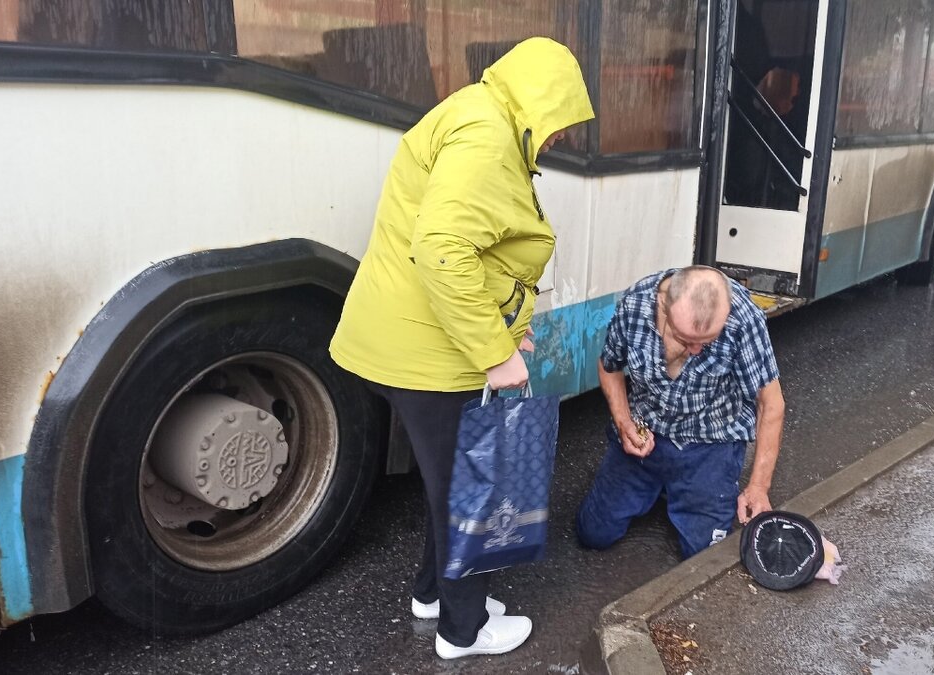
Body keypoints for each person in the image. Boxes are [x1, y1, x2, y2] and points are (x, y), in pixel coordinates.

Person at [329, 38, 593, 659]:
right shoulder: (487, 136)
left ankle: (433, 595)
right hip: (426, 352)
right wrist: (495, 353)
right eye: (560, 123)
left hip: (413, 338)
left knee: (449, 479)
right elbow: (444, 252)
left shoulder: (479, 113)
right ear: (541, 101)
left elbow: (471, 250)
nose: (558, 139)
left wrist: (502, 326)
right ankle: (463, 631)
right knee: (464, 489)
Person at [576, 265, 785, 559]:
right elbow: (609, 366)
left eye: (707, 340)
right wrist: (624, 423)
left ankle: (685, 489)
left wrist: (759, 486)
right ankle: (664, 488)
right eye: (686, 339)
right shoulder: (637, 302)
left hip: (711, 442)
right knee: (592, 534)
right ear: (664, 305)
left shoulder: (743, 316)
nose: (696, 350)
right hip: (646, 431)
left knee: (702, 557)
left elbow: (771, 403)